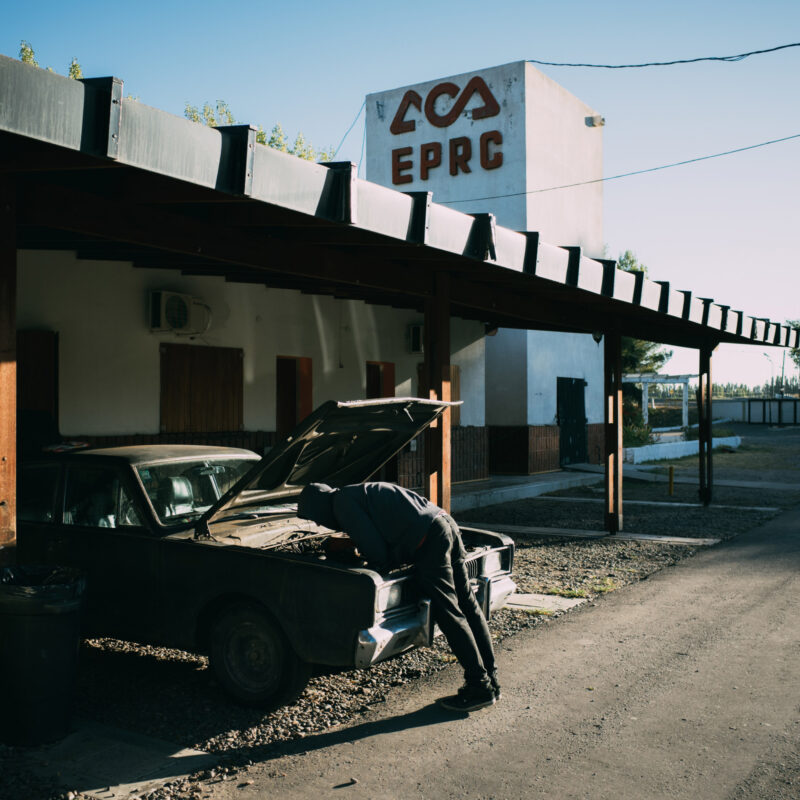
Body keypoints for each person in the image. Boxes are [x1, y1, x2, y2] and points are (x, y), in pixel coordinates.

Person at [297, 481, 500, 712]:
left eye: (315, 518)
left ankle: (479, 686)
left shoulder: (341, 504)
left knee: (448, 612)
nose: (318, 523)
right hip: (445, 524)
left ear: (319, 507)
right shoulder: (354, 493)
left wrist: (355, 560)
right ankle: (491, 679)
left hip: (429, 539)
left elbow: (379, 555)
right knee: (468, 604)